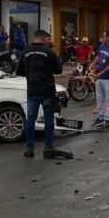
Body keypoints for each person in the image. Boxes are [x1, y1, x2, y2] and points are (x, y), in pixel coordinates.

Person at [16, 30, 73, 160]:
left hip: (32, 91)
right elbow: (58, 70)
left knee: (30, 120)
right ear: (43, 38)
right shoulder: (49, 52)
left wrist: (30, 74)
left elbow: (19, 71)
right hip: (47, 91)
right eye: (48, 38)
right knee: (48, 119)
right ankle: (48, 147)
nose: (49, 41)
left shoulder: (25, 52)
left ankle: (30, 149)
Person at [89, 30, 109, 130]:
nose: (102, 37)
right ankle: (100, 117)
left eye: (104, 36)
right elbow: (98, 56)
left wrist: (101, 73)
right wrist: (93, 64)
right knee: (100, 99)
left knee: (108, 99)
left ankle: (107, 119)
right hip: (99, 78)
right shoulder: (102, 45)